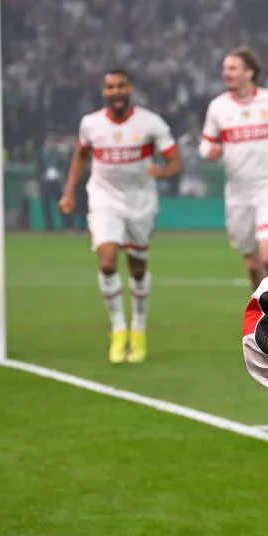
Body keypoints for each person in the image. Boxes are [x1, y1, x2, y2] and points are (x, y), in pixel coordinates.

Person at [59, 69, 182, 364]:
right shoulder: (91, 124)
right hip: (104, 198)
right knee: (107, 261)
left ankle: (138, 327)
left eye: (120, 86)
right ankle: (118, 329)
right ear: (104, 92)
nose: (115, 91)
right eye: (110, 87)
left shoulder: (150, 123)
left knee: (137, 269)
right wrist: (69, 192)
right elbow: (81, 156)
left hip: (140, 201)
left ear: (130, 89)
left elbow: (175, 160)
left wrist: (164, 171)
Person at [200, 47, 268, 289]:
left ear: (249, 72)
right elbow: (206, 142)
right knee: (253, 264)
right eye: (225, 68)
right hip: (237, 192)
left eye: (232, 68)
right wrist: (209, 151)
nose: (226, 73)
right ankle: (260, 307)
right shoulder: (218, 107)